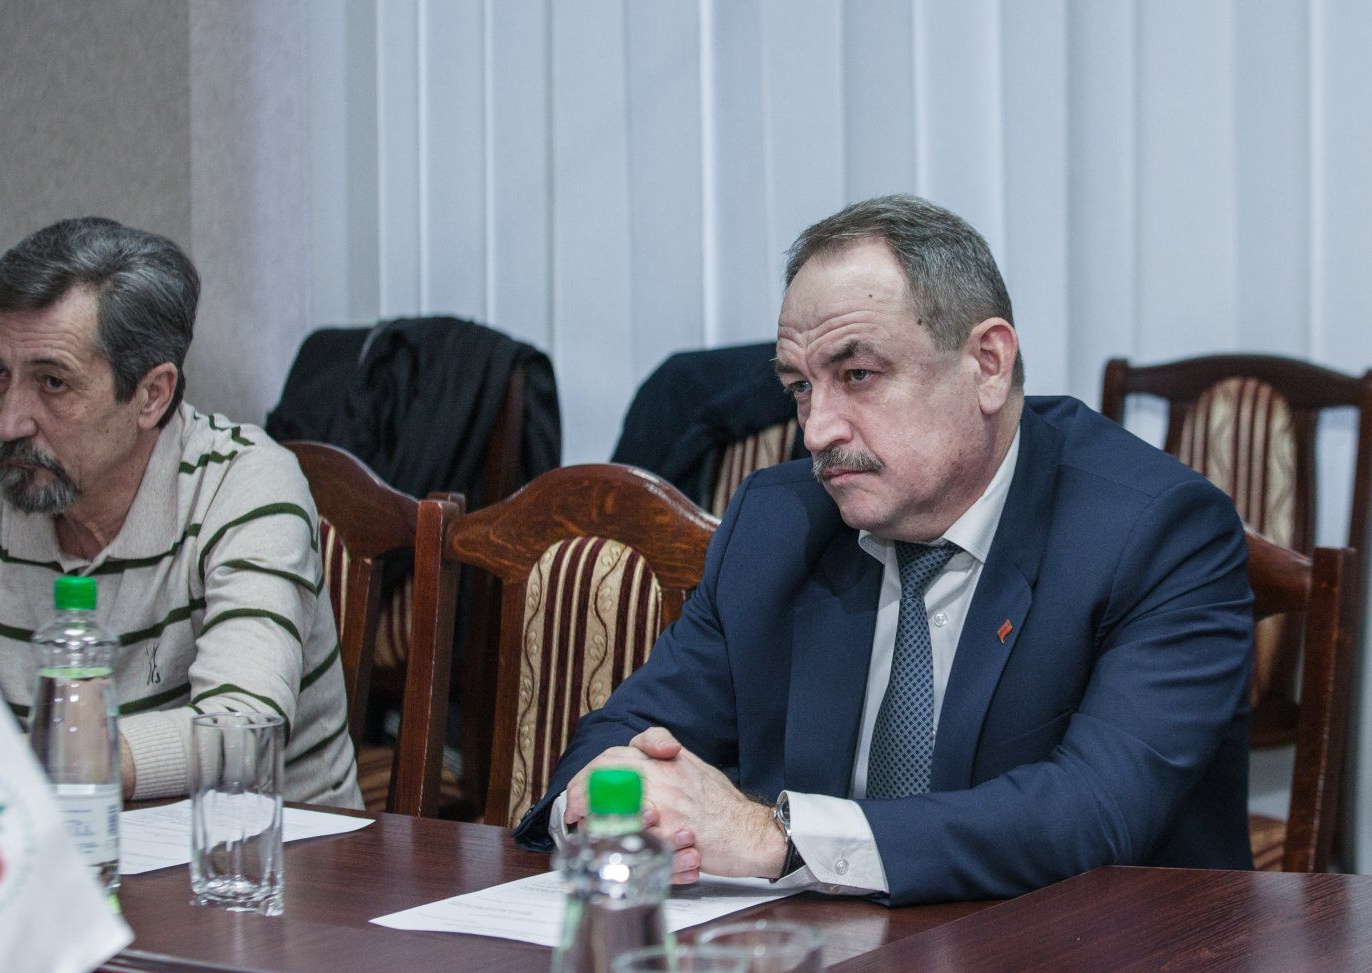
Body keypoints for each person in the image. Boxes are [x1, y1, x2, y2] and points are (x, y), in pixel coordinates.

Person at [515, 195, 1254, 905]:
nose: (817, 431)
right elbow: (624, 737)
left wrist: (776, 838)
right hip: (832, 962)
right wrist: (618, 807)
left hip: (1089, 965)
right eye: (800, 388)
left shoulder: (1156, 532)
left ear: (987, 364)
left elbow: (1092, 813)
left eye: (858, 376)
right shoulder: (778, 523)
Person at [0, 217, 360, 807]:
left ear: (151, 395)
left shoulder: (243, 485)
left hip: (269, 851)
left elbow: (241, 731)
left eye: (53, 382)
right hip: (48, 848)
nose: (8, 422)